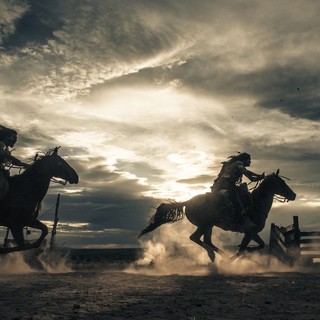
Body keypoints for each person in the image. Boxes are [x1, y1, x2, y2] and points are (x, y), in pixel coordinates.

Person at [210, 152, 264, 222]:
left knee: (243, 191)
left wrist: (260, 177)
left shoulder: (237, 164)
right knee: (240, 193)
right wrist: (259, 175)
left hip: (225, 184)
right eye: (249, 160)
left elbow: (252, 179)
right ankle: (241, 212)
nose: (250, 162)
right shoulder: (239, 163)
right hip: (225, 185)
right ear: (244, 159)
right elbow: (246, 172)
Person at [0, 125, 28, 200]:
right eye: (14, 137)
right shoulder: (1, 145)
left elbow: (9, 159)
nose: (16, 140)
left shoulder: (4, 147)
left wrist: (21, 164)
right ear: (6, 137)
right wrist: (19, 163)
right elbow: (3, 154)